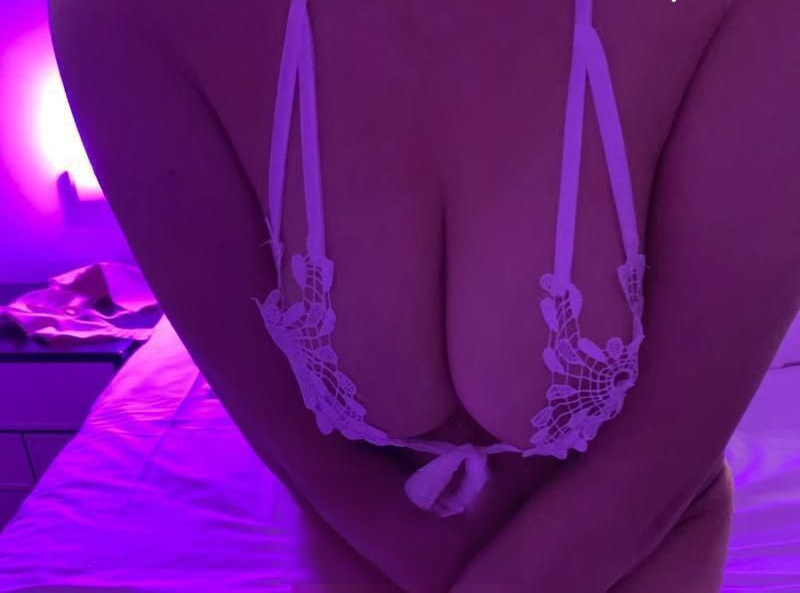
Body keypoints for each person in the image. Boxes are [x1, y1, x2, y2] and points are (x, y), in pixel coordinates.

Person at [48, 0, 798, 590]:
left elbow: (659, 465)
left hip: (639, 550)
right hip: (367, 547)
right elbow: (304, 453)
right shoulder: (126, 15)